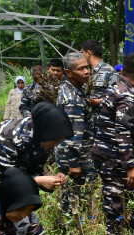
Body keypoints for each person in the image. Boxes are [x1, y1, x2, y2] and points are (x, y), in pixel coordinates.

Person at [93, 53, 134, 235]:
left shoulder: (115, 88)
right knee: (116, 205)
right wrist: (131, 165)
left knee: (122, 201)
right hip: (115, 159)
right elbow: (123, 130)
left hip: (108, 156)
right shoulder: (127, 94)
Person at [0, 102, 72, 201]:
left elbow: (33, 169)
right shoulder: (9, 136)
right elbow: (7, 176)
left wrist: (50, 178)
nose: (57, 144)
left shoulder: (43, 138)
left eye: (60, 141)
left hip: (15, 176)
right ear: (44, 132)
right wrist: (39, 180)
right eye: (55, 140)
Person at [55, 52, 94, 214]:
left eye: (87, 67)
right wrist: (74, 164)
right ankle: (76, 231)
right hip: (76, 159)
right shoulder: (72, 98)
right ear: (69, 73)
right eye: (81, 69)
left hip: (77, 156)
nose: (86, 72)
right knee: (76, 200)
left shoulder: (75, 89)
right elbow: (73, 134)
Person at [81, 39, 119, 121]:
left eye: (82, 52)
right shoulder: (88, 72)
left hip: (103, 121)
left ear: (88, 52)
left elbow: (116, 98)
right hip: (89, 121)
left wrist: (95, 102)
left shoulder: (109, 71)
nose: (82, 56)